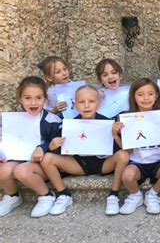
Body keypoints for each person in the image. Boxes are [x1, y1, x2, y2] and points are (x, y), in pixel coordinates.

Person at [40, 85, 129, 216]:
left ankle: (113, 195)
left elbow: (118, 149)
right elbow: (61, 149)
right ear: (75, 105)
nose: (86, 106)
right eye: (81, 102)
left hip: (103, 163)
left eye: (91, 101)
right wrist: (53, 146)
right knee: (47, 158)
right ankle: (64, 195)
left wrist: (115, 135)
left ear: (98, 104)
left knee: (123, 155)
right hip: (79, 164)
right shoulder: (69, 125)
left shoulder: (107, 122)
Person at [113, 78, 160, 215]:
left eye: (150, 94)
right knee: (127, 175)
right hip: (137, 161)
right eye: (140, 94)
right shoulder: (126, 117)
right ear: (133, 97)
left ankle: (153, 194)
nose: (146, 98)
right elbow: (128, 149)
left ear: (156, 96)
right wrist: (116, 135)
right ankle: (135, 196)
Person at [0, 76, 61, 217]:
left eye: (38, 98)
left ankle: (46, 195)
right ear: (20, 99)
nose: (33, 102)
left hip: (43, 166)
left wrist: (43, 147)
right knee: (3, 170)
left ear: (45, 99)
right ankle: (12, 196)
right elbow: (8, 142)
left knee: (21, 171)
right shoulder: (13, 120)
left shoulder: (52, 120)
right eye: (27, 98)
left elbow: (59, 144)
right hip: (20, 159)